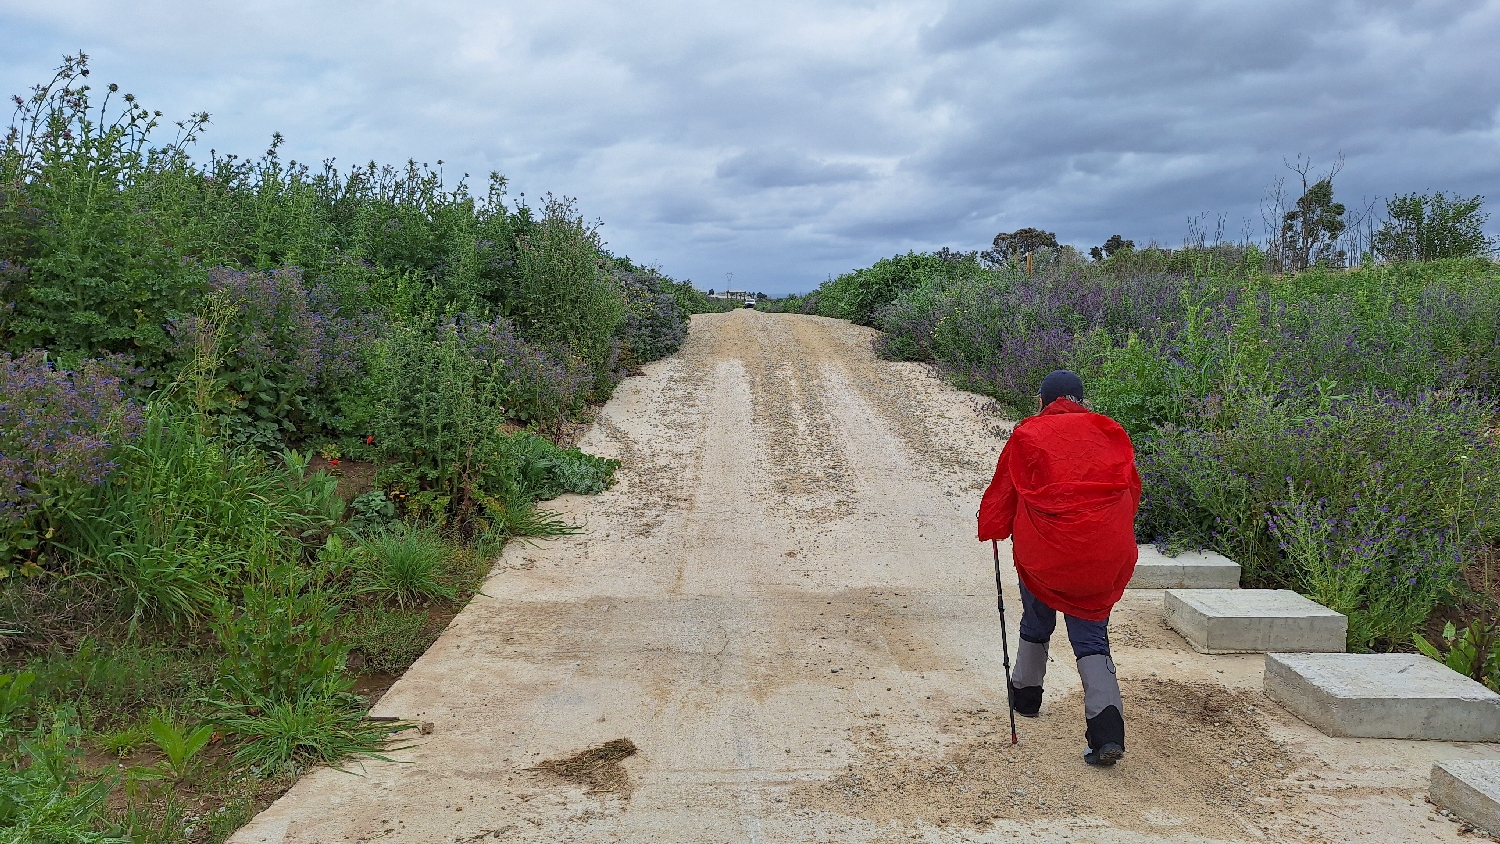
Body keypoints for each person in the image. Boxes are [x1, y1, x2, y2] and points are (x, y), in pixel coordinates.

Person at [977, 370, 1142, 766]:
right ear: (1082, 400)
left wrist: (994, 526)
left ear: (1042, 400)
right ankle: (1106, 734)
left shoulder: (1028, 434)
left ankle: (1027, 698)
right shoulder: (1110, 432)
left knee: (1036, 620)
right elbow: (1131, 492)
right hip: (1101, 553)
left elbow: (1004, 492)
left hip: (1044, 553)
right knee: (1091, 638)